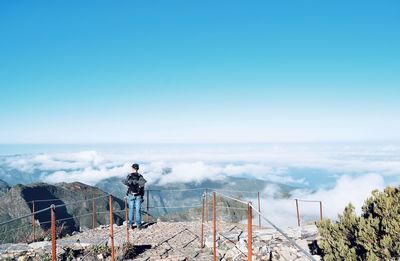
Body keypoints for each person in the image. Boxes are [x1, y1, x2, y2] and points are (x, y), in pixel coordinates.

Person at [122, 163, 147, 229]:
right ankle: (139, 225)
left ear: (132, 168)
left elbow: (126, 184)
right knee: (138, 210)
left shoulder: (129, 176)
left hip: (131, 194)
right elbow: (142, 187)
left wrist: (127, 193)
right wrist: (142, 196)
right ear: (138, 169)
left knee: (131, 210)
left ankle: (130, 225)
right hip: (138, 195)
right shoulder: (140, 176)